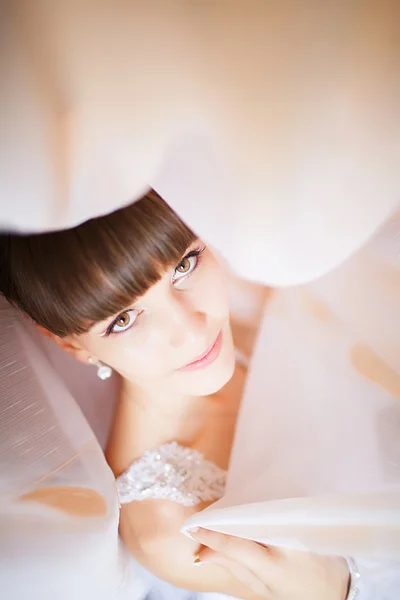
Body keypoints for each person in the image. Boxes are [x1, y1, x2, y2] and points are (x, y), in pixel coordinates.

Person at [0, 189, 392, 600]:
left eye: (184, 266)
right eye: (123, 319)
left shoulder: (254, 290)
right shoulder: (175, 529)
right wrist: (342, 590)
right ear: (71, 345)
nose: (190, 330)